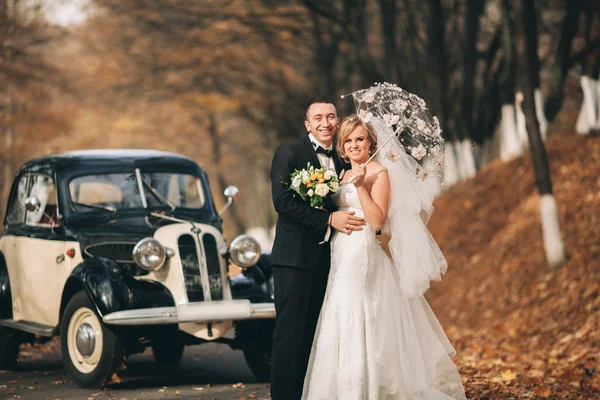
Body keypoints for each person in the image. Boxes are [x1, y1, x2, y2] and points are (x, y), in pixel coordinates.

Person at [302, 115, 466, 399]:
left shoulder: (379, 173)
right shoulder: (340, 175)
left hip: (362, 253)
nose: (354, 145)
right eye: (349, 140)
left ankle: (364, 389)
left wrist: (362, 187)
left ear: (370, 143)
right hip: (340, 251)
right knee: (338, 311)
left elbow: (378, 221)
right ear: (341, 147)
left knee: (359, 312)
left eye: (360, 139)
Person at [269, 96, 366, 400]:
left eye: (331, 117)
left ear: (338, 121)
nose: (326, 123)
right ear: (308, 124)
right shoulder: (289, 152)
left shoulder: (343, 158)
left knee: (315, 334)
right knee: (290, 334)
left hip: (330, 260)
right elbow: (282, 202)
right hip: (294, 259)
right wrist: (328, 219)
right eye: (319, 118)